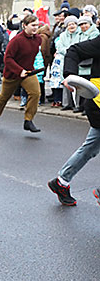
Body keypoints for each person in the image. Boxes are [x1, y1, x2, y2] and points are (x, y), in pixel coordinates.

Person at [48, 35, 100, 207]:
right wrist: (70, 77)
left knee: (90, 147)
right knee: (90, 147)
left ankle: (61, 182)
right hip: (98, 103)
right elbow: (74, 51)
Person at [0, 15, 42, 132]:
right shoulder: (16, 40)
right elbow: (7, 58)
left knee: (35, 93)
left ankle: (28, 120)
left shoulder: (38, 39)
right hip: (12, 73)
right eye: (32, 25)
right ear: (24, 25)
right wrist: (19, 71)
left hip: (28, 72)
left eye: (37, 25)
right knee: (3, 97)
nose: (35, 28)